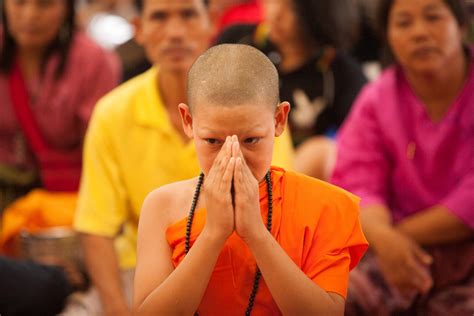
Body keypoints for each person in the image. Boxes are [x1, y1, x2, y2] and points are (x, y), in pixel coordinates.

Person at [73, 1, 294, 315]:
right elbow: (97, 227)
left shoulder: (254, 109)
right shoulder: (112, 113)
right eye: (159, 17)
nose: (175, 33)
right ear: (139, 29)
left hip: (249, 265)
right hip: (140, 271)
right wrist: (118, 310)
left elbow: (278, 207)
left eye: (188, 15)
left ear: (212, 21)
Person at [133, 44, 368, 315]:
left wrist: (255, 233)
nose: (234, 157)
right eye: (212, 141)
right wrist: (213, 234)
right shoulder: (163, 207)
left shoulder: (324, 206)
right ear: (188, 121)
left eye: (251, 140)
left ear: (279, 120)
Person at [331, 0, 474, 314]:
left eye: (433, 17)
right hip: (388, 250)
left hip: (461, 251)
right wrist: (384, 240)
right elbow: (357, 181)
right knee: (333, 299)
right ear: (388, 37)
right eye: (404, 23)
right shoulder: (376, 100)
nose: (420, 32)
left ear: (461, 25)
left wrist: (394, 238)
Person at [216, 0, 367, 180]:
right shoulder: (237, 42)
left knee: (322, 152)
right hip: (230, 161)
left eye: (292, 8)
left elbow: (360, 146)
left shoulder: (341, 73)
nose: (276, 14)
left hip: (295, 179)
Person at [0, 0, 120, 212]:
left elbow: (103, 152)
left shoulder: (93, 61)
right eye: (19, 3)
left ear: (66, 9)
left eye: (44, 5)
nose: (30, 15)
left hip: (67, 204)